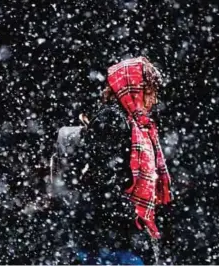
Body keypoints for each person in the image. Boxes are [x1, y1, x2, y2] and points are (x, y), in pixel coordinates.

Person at [70, 56, 172, 264]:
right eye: (150, 90)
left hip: (116, 236)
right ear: (134, 87)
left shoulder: (137, 124)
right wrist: (129, 217)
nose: (153, 98)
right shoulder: (113, 120)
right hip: (108, 239)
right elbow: (102, 180)